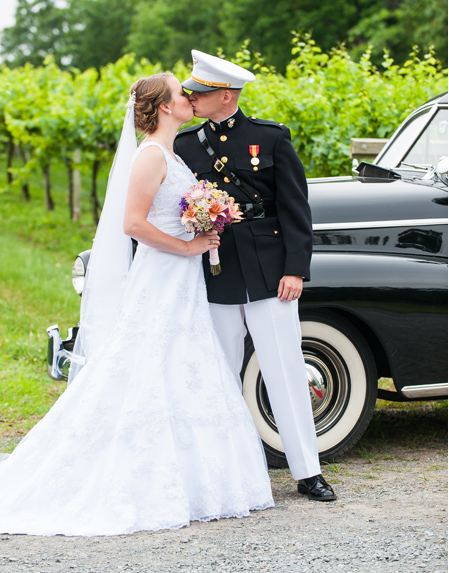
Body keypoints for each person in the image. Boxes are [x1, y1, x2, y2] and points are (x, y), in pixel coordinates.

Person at [0, 73, 274, 536]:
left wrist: (205, 224)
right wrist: (188, 246)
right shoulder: (149, 156)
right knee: (147, 361)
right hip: (162, 274)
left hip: (182, 278)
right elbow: (132, 223)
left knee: (182, 362)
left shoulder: (169, 152)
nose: (188, 96)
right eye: (179, 92)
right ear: (165, 107)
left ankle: (197, 479)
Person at [173, 50, 334, 501]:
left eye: (200, 93)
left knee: (284, 370)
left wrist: (296, 270)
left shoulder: (271, 138)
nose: (192, 98)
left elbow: (296, 208)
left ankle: (307, 472)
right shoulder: (185, 146)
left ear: (226, 95)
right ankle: (229, 472)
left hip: (270, 276)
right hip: (216, 274)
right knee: (221, 373)